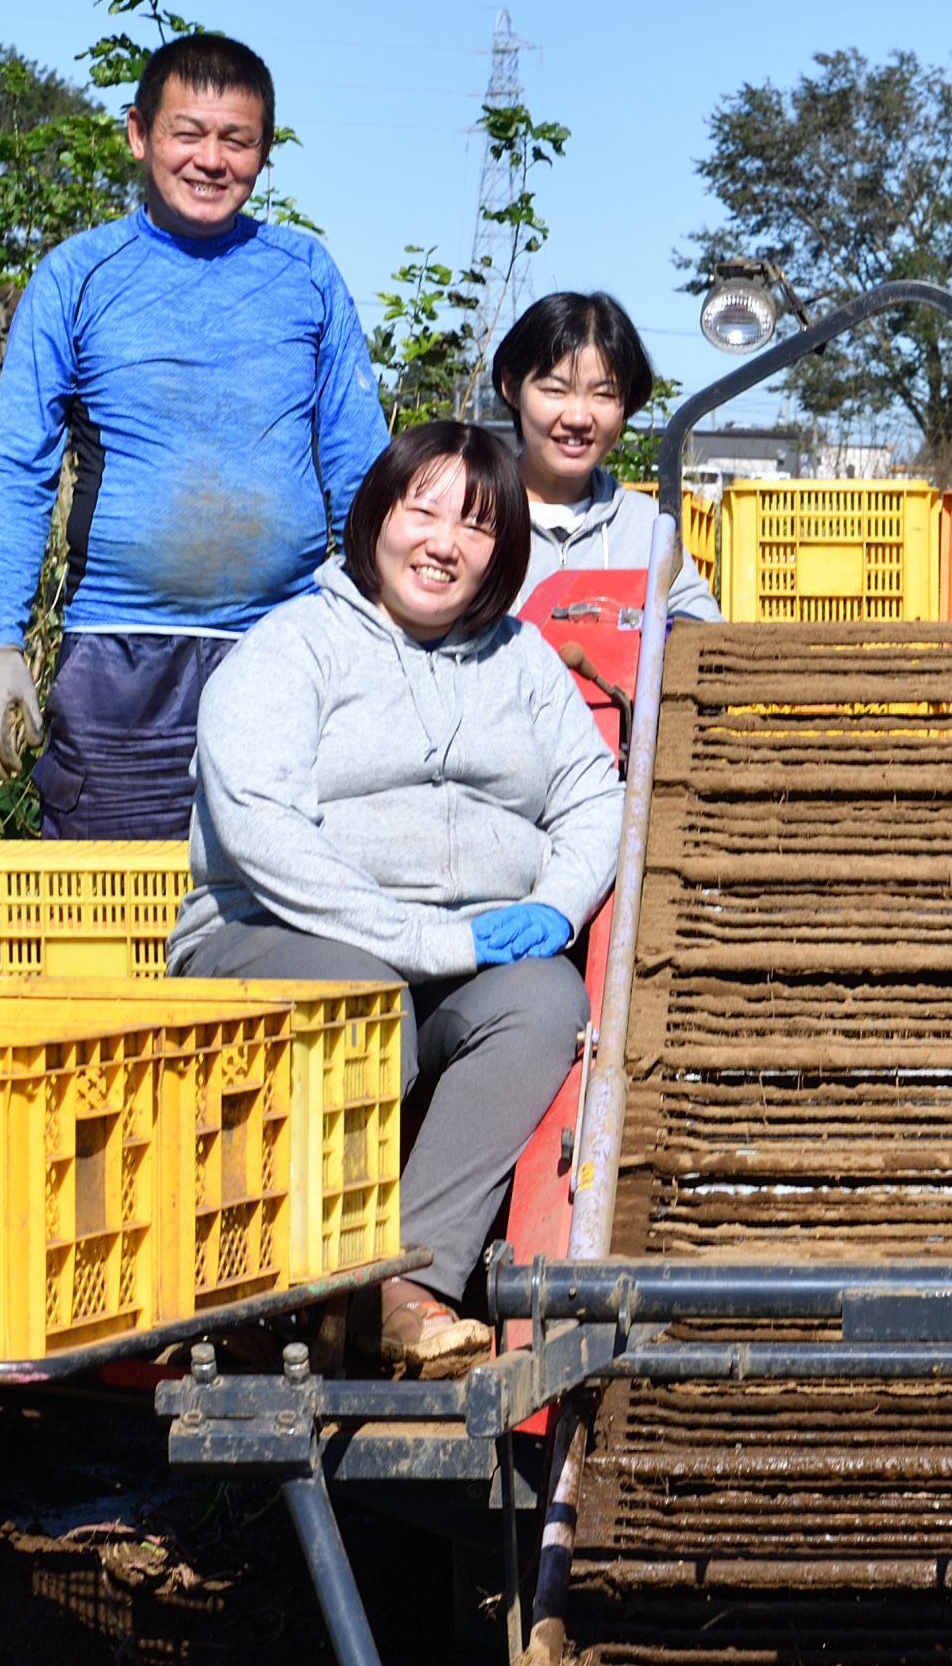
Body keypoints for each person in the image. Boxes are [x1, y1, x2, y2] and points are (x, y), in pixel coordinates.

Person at [169, 421, 620, 1375]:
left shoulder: (522, 659)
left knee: (543, 1000)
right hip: (278, 933)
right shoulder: (292, 648)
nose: (442, 541)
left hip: (467, 944)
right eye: (421, 508)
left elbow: (592, 795)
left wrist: (557, 906)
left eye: (476, 524)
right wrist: (422, 939)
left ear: (504, 552)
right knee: (366, 1000)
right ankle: (297, 1296)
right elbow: (262, 833)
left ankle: (407, 1287)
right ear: (376, 515)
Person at [0, 32, 390, 839]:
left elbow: (361, 467)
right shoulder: (75, 276)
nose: (211, 159)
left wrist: (376, 630)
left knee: (282, 908)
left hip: (283, 650)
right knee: (109, 916)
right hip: (119, 657)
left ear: (264, 151)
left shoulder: (304, 273)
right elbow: (19, 468)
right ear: (138, 134)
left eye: (237, 139)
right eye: (187, 133)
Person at [492, 291, 721, 626]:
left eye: (603, 394)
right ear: (511, 388)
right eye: (555, 390)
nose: (579, 417)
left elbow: (704, 638)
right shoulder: (475, 516)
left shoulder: (647, 528)